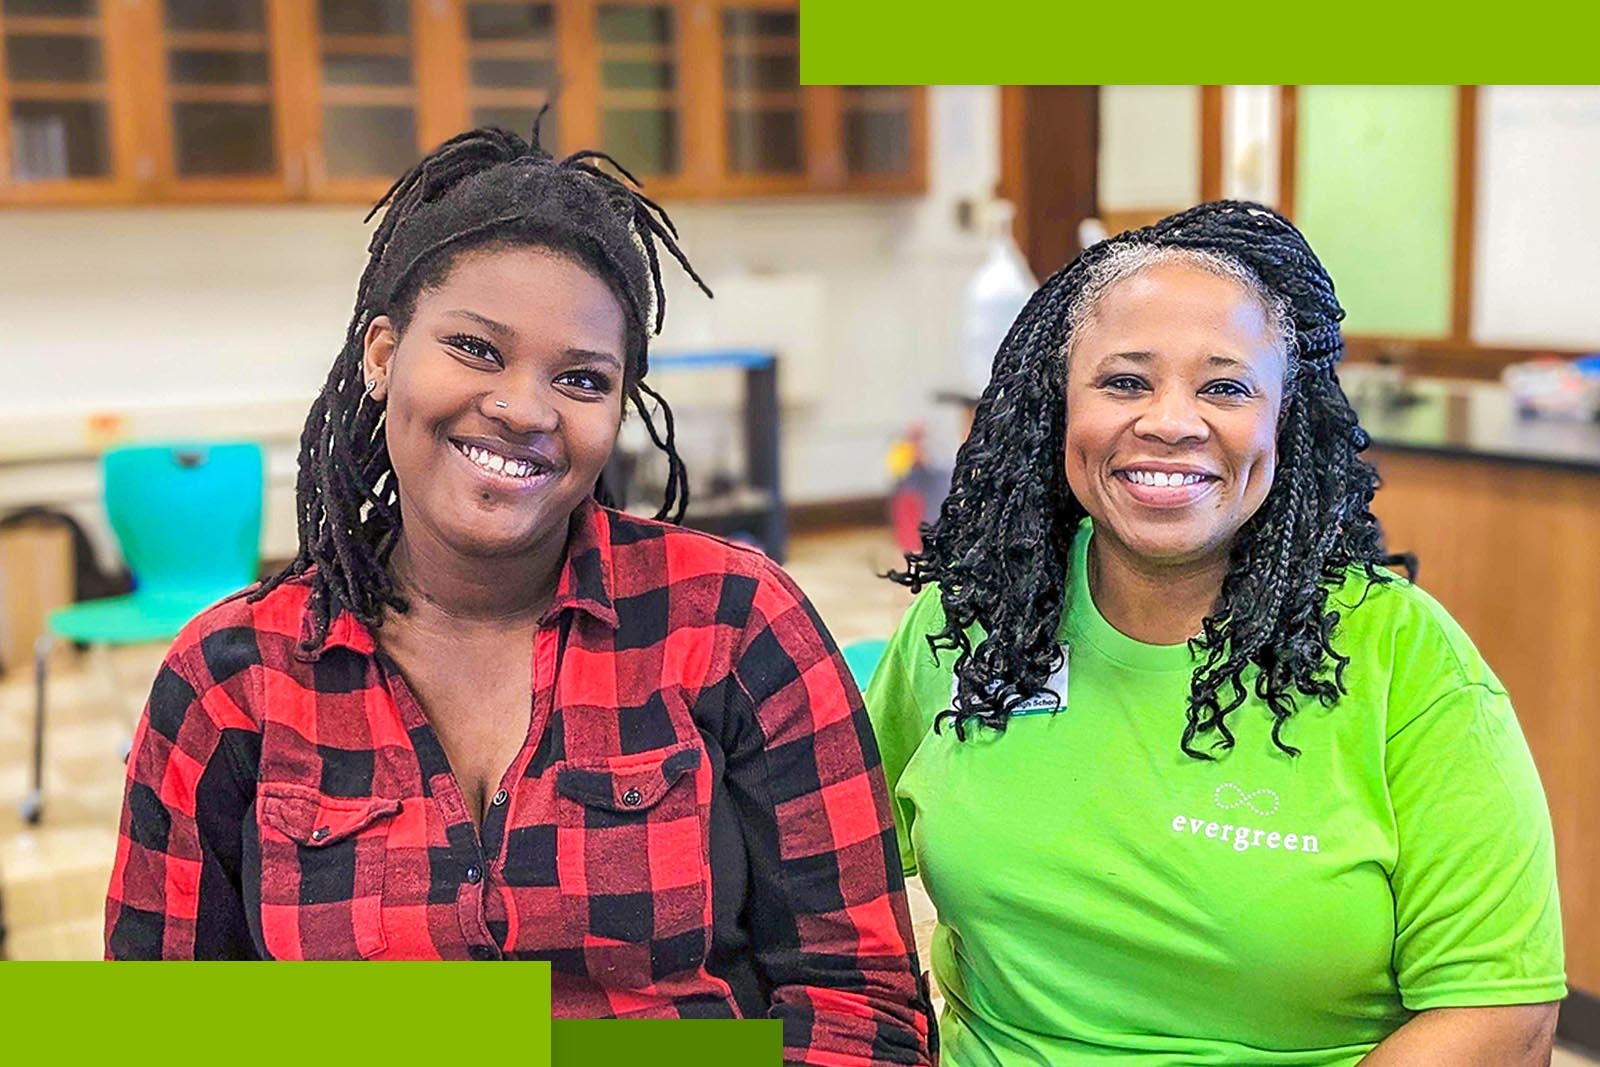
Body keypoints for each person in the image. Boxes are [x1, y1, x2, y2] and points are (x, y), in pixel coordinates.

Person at [104, 124, 933, 1066]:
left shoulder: (737, 623)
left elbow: (862, 1002)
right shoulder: (232, 678)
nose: (525, 408)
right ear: (382, 354)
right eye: (476, 348)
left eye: (581, 378)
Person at [866, 201, 1563, 1065]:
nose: (1170, 421)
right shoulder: (970, 623)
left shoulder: (1407, 658)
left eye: (1225, 387)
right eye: (1125, 382)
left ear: (1282, 418)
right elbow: (815, 885)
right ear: (1059, 406)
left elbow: (1502, 1016)